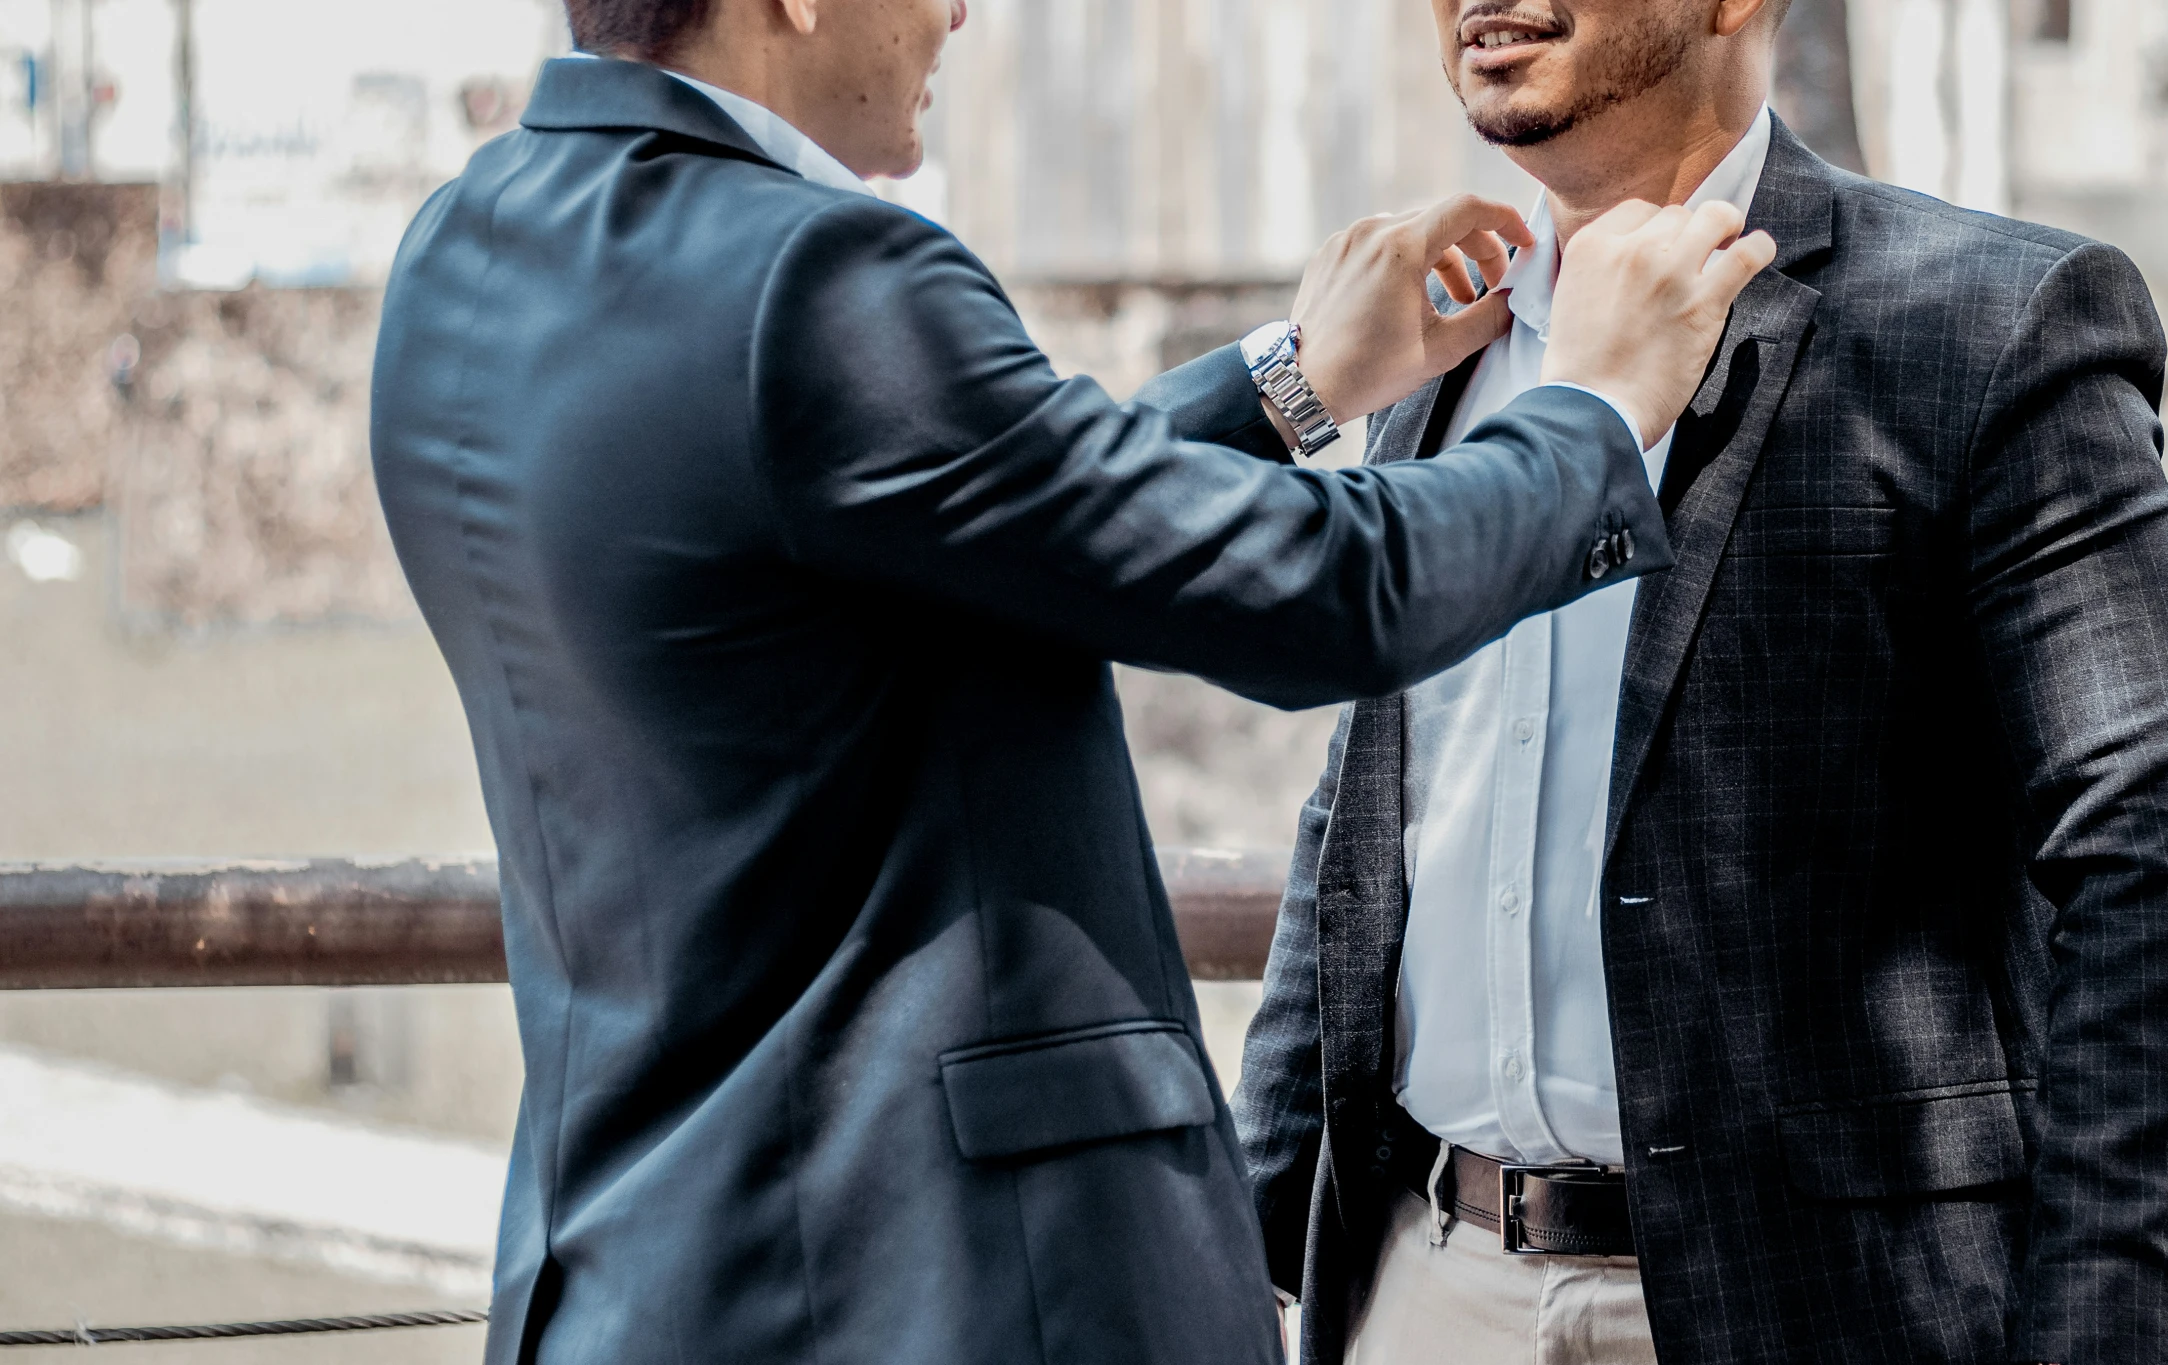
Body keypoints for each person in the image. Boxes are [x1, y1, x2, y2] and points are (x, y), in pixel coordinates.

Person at [365, 0, 1778, 1360]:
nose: (959, 16)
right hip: (927, 1288)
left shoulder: (468, 252)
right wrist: (1591, 410)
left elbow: (932, 515)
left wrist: (1294, 381)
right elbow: (1328, 598)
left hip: (637, 1272)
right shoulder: (824, 280)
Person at [1233, 0, 2168, 1362]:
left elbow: (2151, 873)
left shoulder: (1988, 325)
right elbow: (1374, 803)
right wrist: (1246, 1219)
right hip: (1420, 1288)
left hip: (1812, 1307)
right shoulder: (1432, 342)